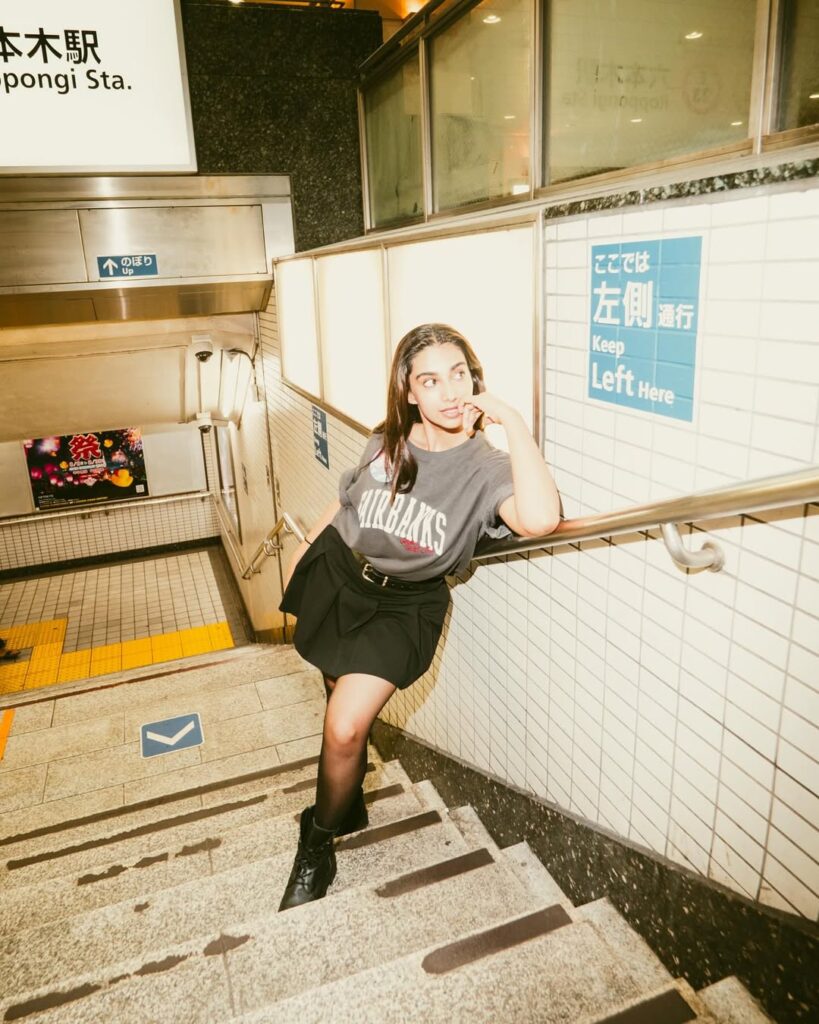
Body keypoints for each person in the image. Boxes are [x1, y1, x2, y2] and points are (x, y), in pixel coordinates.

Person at [277, 323, 560, 912]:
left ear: (475, 378)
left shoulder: (485, 467)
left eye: (459, 374)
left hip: (404, 607)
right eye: (430, 381)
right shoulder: (387, 440)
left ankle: (316, 840)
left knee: (344, 726)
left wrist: (514, 423)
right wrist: (304, 552)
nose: (450, 392)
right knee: (335, 689)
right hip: (339, 575)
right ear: (409, 391)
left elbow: (539, 519)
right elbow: (347, 499)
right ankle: (348, 801)